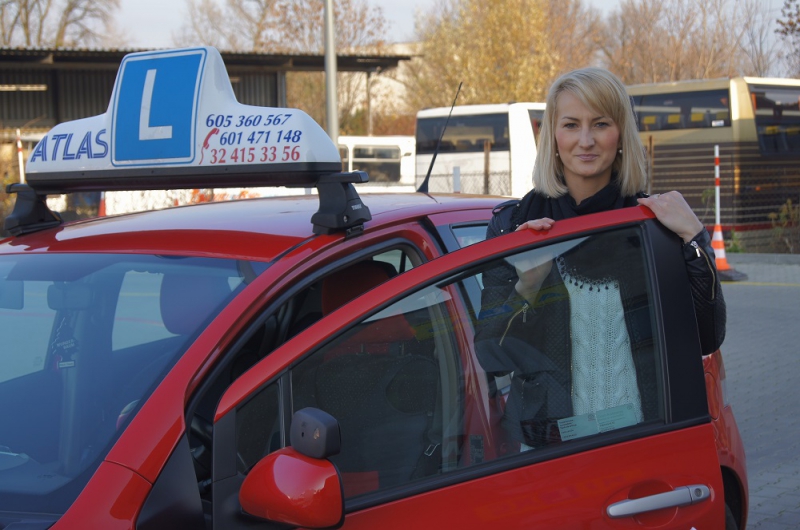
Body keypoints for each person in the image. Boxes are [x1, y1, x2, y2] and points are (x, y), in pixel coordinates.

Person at [474, 67, 726, 450]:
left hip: (646, 439)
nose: (586, 141)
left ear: (620, 134)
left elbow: (707, 335)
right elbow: (491, 354)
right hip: (550, 449)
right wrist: (528, 284)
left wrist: (694, 239)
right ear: (553, 137)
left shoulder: (655, 224)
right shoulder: (514, 228)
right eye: (572, 125)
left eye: (601, 124)